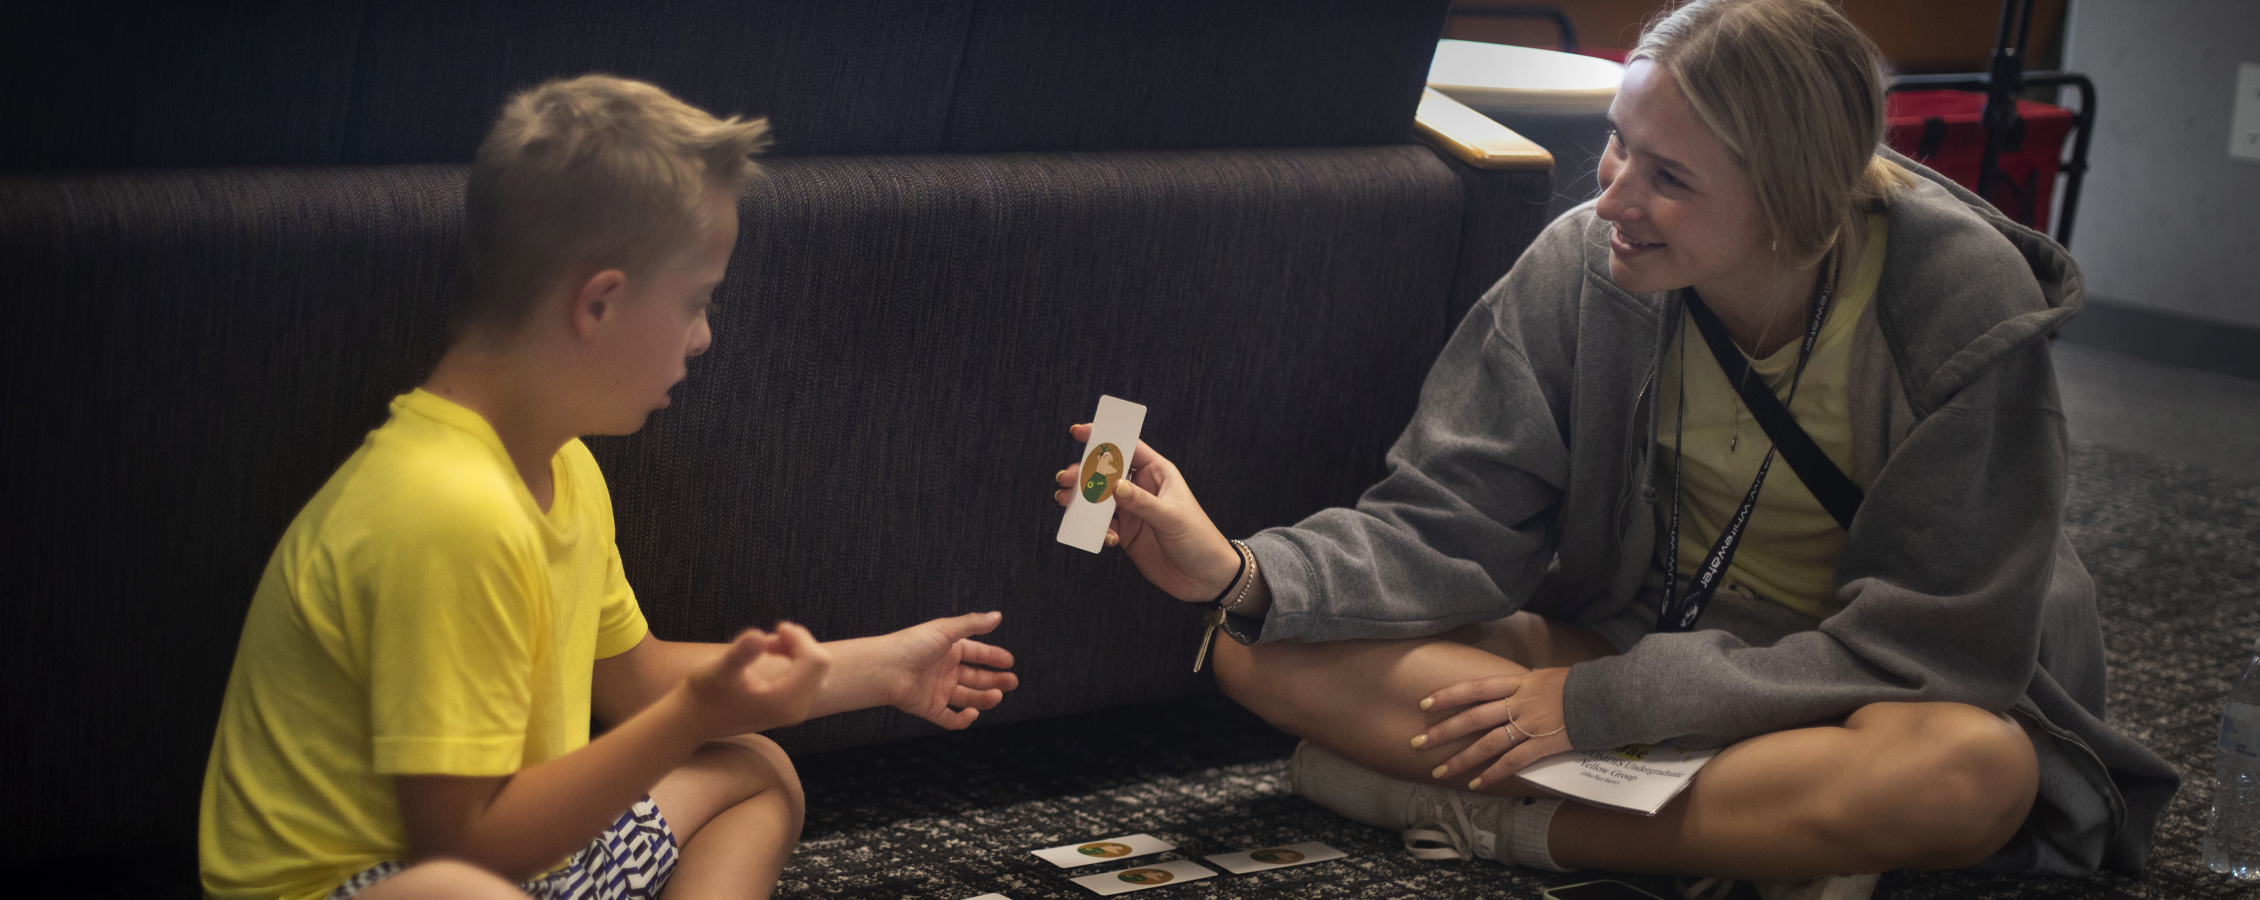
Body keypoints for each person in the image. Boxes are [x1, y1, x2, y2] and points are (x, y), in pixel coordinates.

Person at [1052, 1, 2176, 897]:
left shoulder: (1955, 303)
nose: (1614, 198)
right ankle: (1750, 832)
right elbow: (1448, 517)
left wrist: (1601, 713)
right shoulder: (1583, 263)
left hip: (1874, 687)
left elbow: (1942, 645)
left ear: (1792, 202)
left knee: (1967, 776)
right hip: (1650, 642)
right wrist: (1242, 570)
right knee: (1262, 645)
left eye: (1669, 177)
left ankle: (1504, 827)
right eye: (1617, 149)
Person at [201, 75, 1020, 900]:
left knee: (754, 769)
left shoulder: (567, 468)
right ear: (599, 304)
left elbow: (637, 681)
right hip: (390, 882)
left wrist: (885, 670)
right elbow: (466, 849)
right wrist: (692, 715)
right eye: (696, 302)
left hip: (527, 863)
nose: (703, 338)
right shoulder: (444, 510)